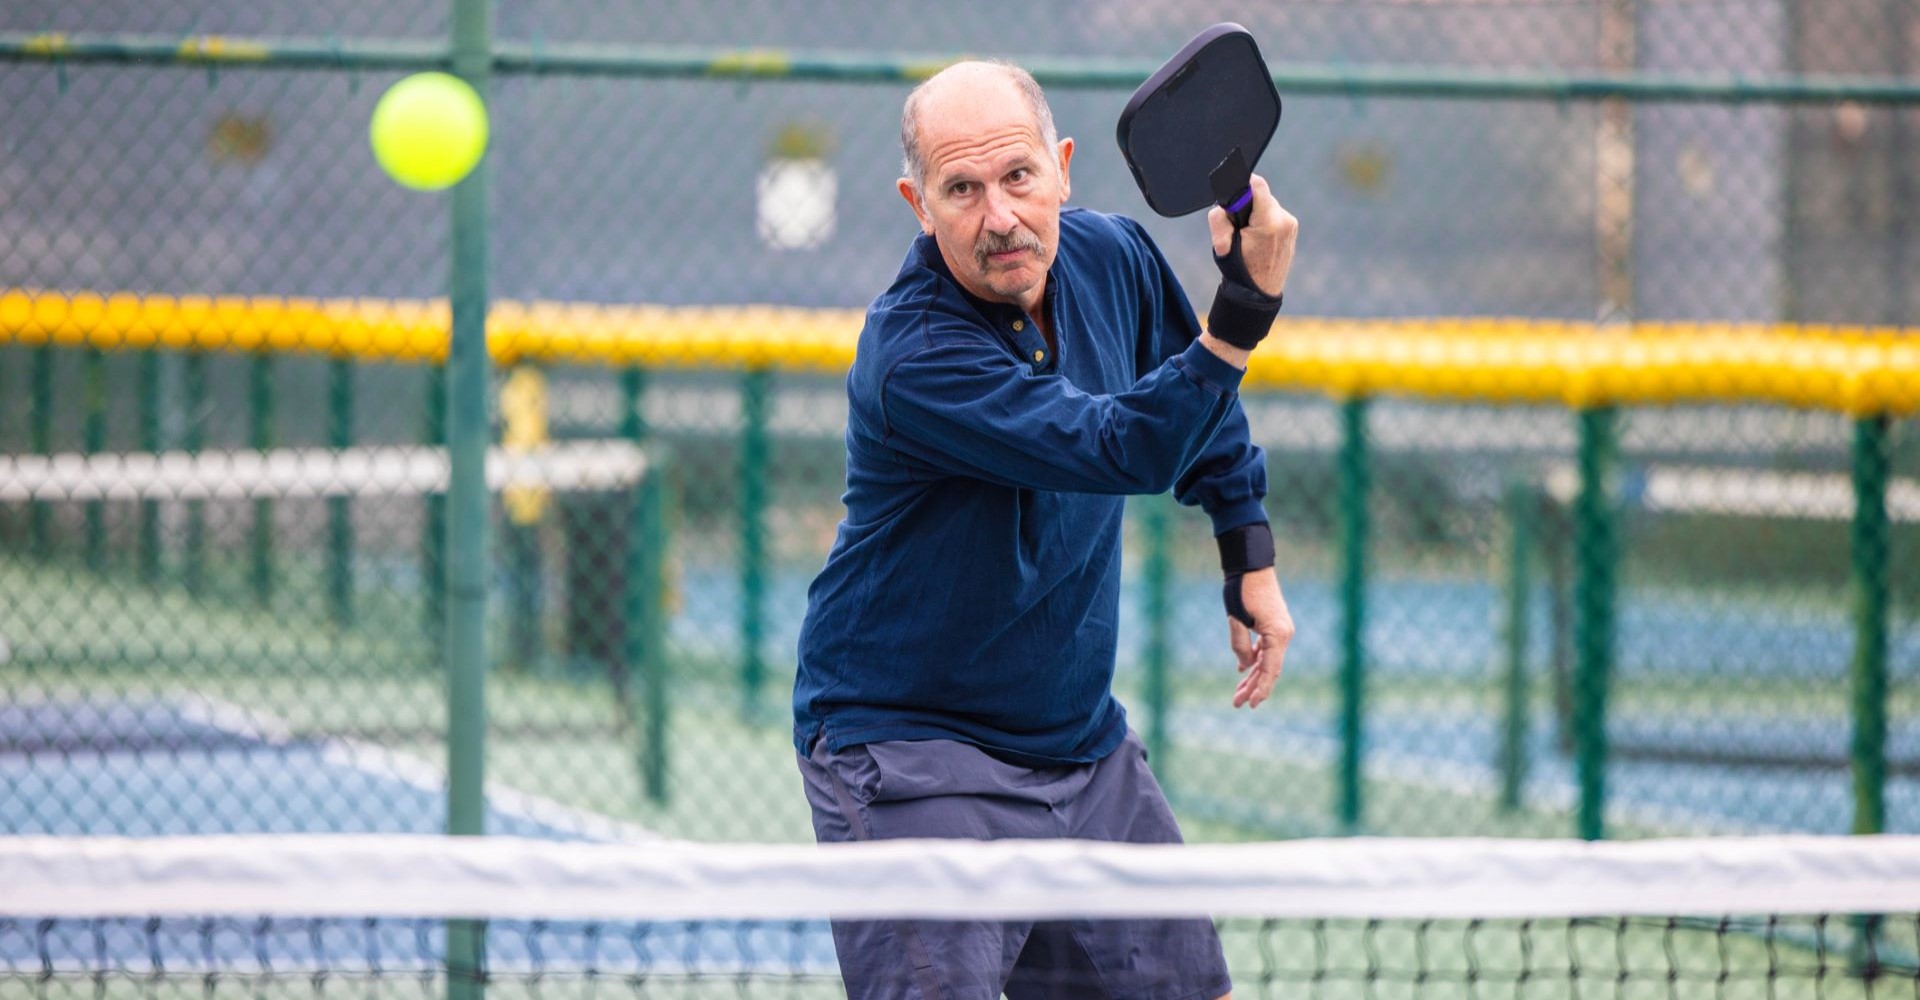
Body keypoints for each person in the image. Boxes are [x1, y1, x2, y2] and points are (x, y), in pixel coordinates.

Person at [792, 59, 1299, 1000]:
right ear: (919, 203)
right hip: (911, 749)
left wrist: (1247, 552)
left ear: (1061, 167)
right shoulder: (915, 358)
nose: (999, 216)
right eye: (962, 189)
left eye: (1019, 176)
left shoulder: (1116, 256)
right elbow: (1122, 447)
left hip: (1078, 740)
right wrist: (1244, 310)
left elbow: (1198, 413)